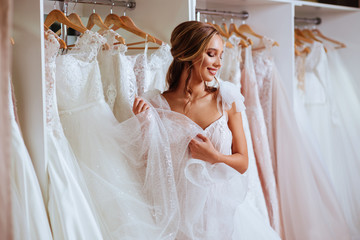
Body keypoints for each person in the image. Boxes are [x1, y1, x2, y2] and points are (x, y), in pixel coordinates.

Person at [133, 21, 280, 239]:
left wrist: (215, 156)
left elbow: (243, 163)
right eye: (212, 54)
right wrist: (144, 124)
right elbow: (148, 166)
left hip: (218, 217)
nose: (219, 63)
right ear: (189, 53)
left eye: (221, 56)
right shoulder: (156, 105)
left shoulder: (227, 99)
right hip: (176, 217)